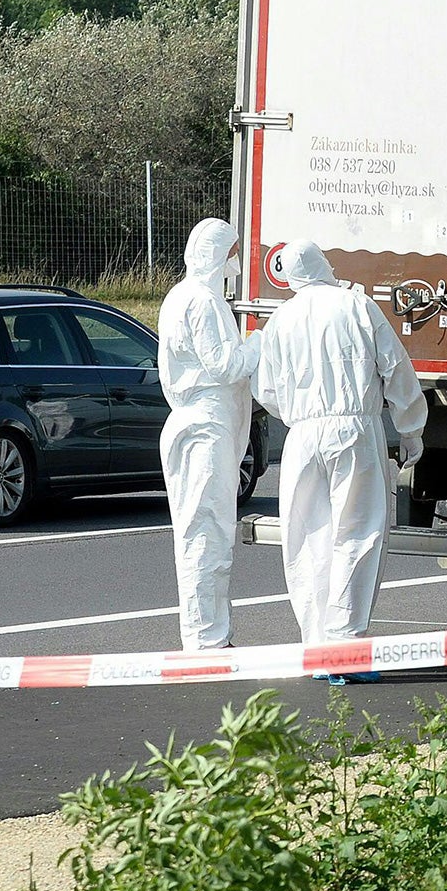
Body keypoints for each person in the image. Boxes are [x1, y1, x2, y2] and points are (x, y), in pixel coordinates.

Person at [253, 240, 426, 651]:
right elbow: (396, 368)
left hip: (302, 435)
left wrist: (300, 415)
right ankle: (346, 643)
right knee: (358, 531)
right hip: (354, 431)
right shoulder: (357, 305)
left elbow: (266, 389)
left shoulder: (280, 318)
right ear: (323, 265)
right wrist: (411, 428)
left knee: (307, 537)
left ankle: (315, 644)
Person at [159, 219, 260, 650]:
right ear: (220, 255)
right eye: (234, 251)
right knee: (208, 533)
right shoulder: (203, 301)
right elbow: (224, 365)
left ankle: (208, 633)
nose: (236, 260)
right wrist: (260, 341)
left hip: (198, 423)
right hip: (206, 426)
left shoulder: (182, 295)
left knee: (204, 530)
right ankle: (207, 638)